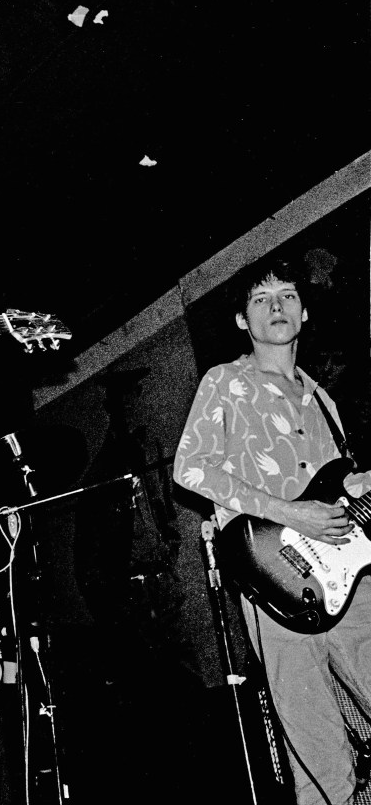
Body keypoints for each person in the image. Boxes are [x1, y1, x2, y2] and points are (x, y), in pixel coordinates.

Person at [173, 256, 370, 805]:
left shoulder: (323, 400)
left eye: (286, 295)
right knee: (314, 737)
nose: (276, 305)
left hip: (349, 571)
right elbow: (189, 469)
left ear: (304, 314)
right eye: (261, 299)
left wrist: (356, 486)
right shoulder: (225, 382)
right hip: (277, 573)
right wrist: (289, 513)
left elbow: (336, 486)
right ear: (243, 321)